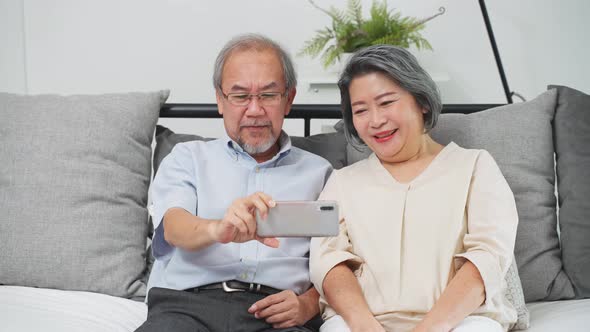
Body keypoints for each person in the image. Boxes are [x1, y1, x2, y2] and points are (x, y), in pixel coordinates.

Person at [309, 45, 518, 332]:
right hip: (361, 324)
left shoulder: (475, 167)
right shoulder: (341, 182)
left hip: (462, 322)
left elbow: (488, 258)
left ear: (422, 101)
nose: (376, 120)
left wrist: (428, 329)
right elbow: (327, 262)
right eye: (361, 110)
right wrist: (363, 325)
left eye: (386, 102)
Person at [136, 34, 332, 332]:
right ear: (220, 99)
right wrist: (218, 229)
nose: (254, 110)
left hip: (276, 317)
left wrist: (309, 304)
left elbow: (339, 261)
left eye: (268, 95)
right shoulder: (188, 158)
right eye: (240, 96)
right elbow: (173, 227)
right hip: (186, 308)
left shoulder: (320, 173)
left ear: (288, 100)